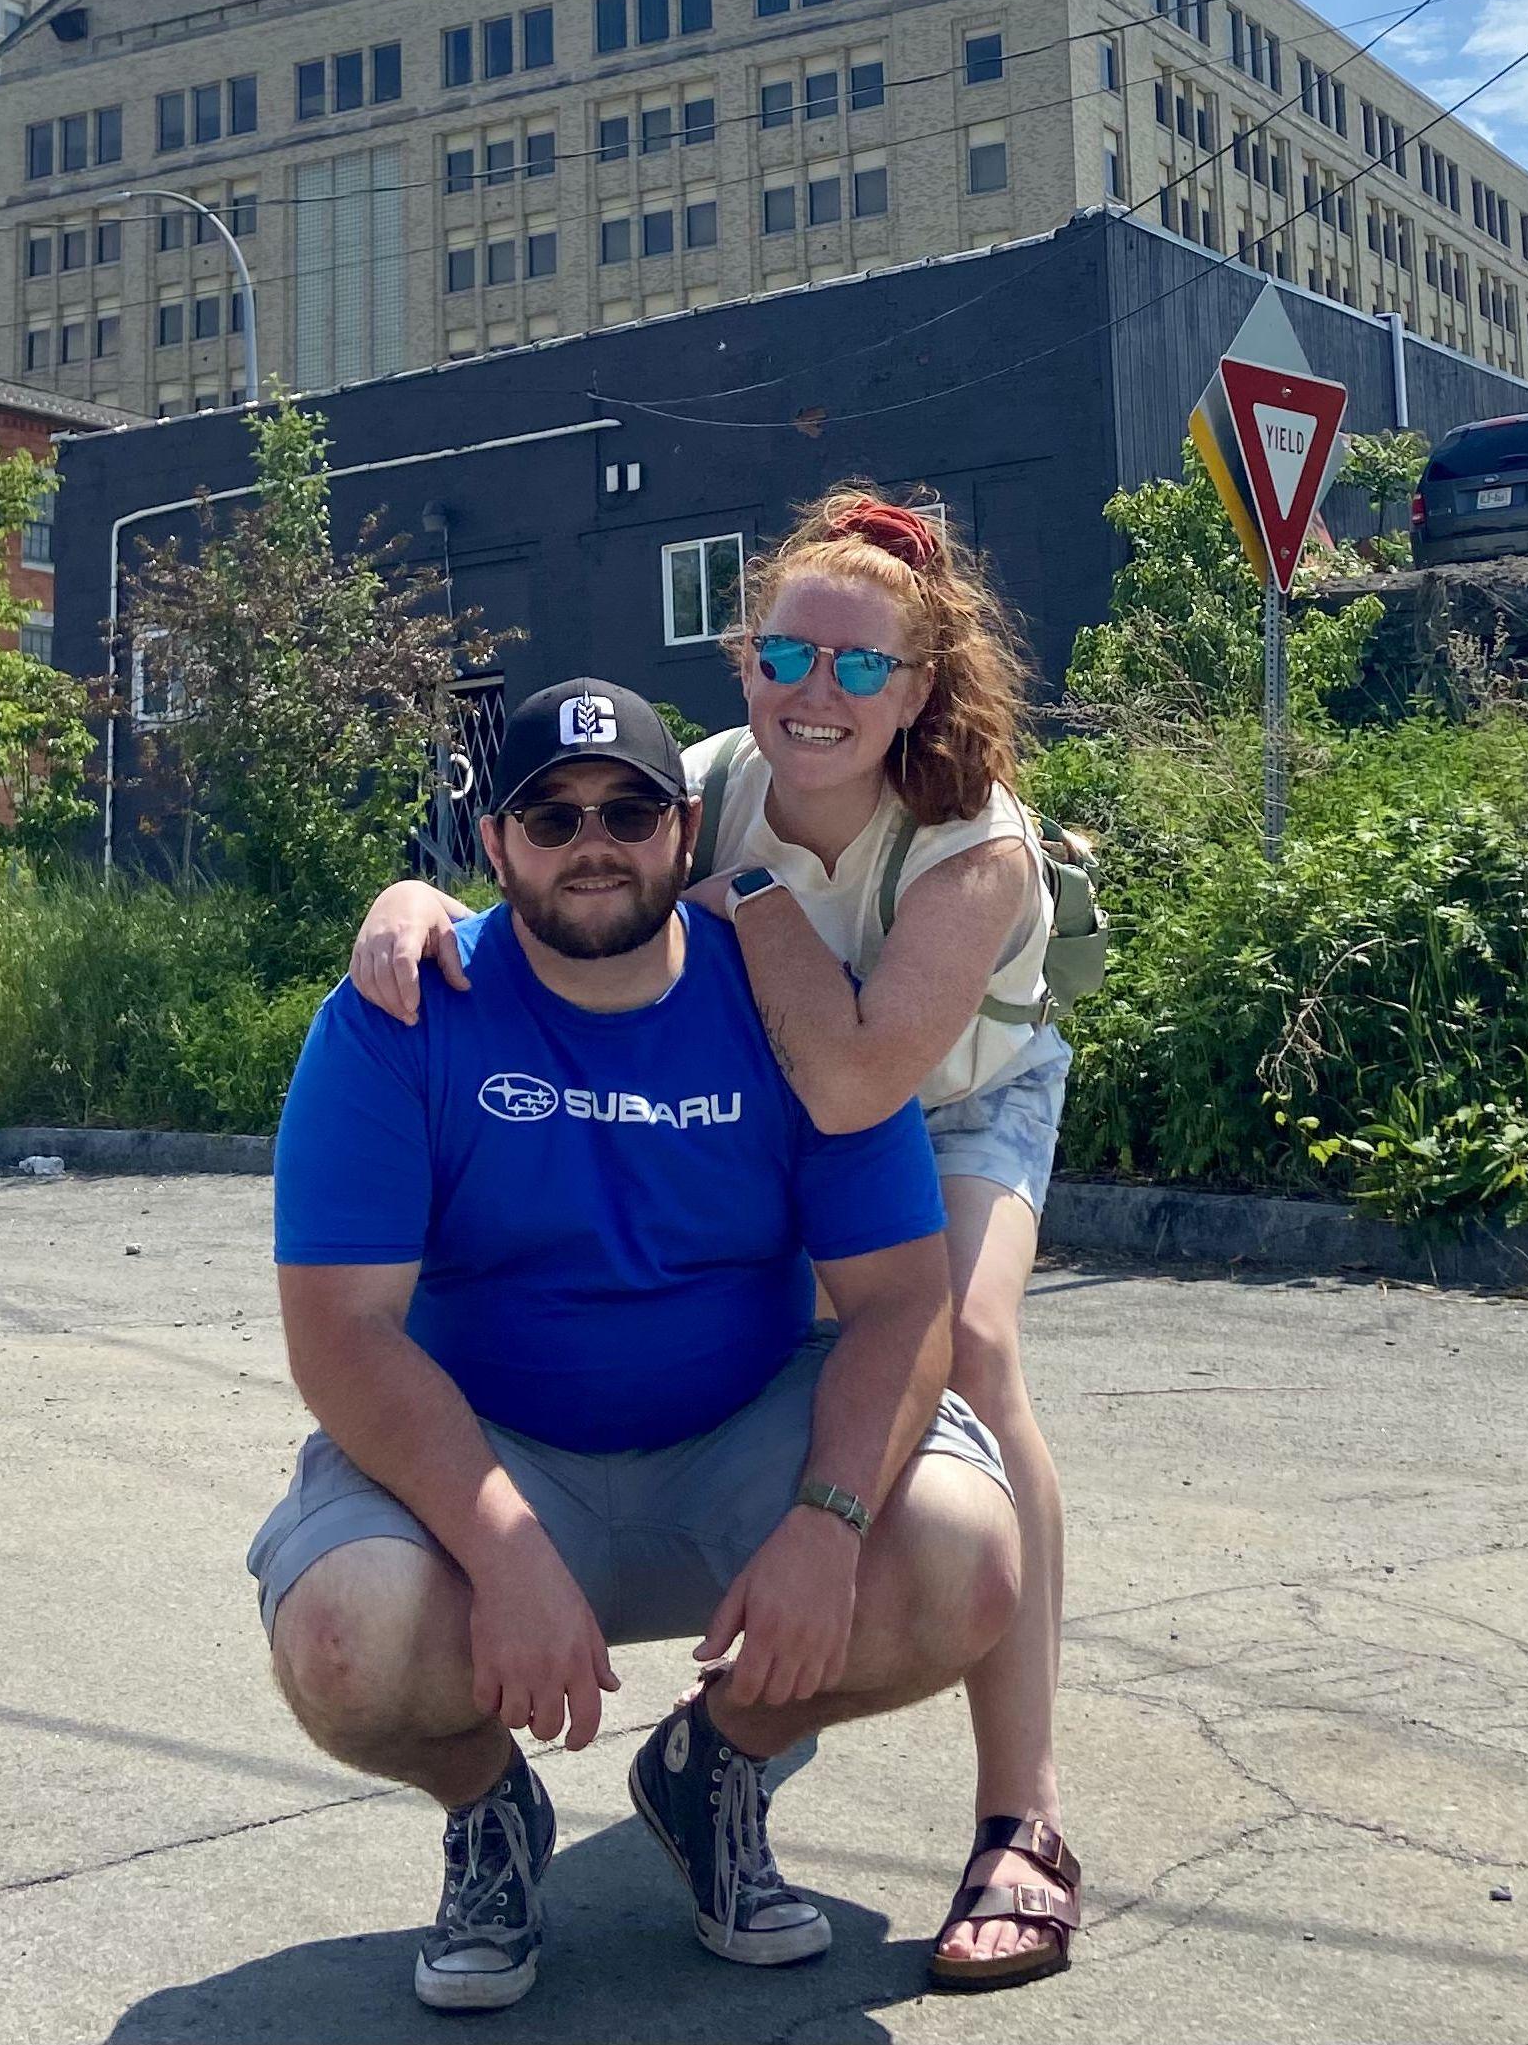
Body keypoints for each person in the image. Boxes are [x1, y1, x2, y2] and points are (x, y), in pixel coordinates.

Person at [351, 493, 1085, 1991]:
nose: (818, 691)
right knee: (802, 1350)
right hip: (793, 1106)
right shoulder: (707, 779)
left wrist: (745, 895)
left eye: (861, 667)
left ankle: (1022, 1816)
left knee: (967, 1339)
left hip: (944, 1096)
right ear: (746, 665)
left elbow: (860, 1077)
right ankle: (733, 1731)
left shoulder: (971, 848)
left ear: (922, 687)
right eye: (784, 653)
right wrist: (414, 890)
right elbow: (560, 852)